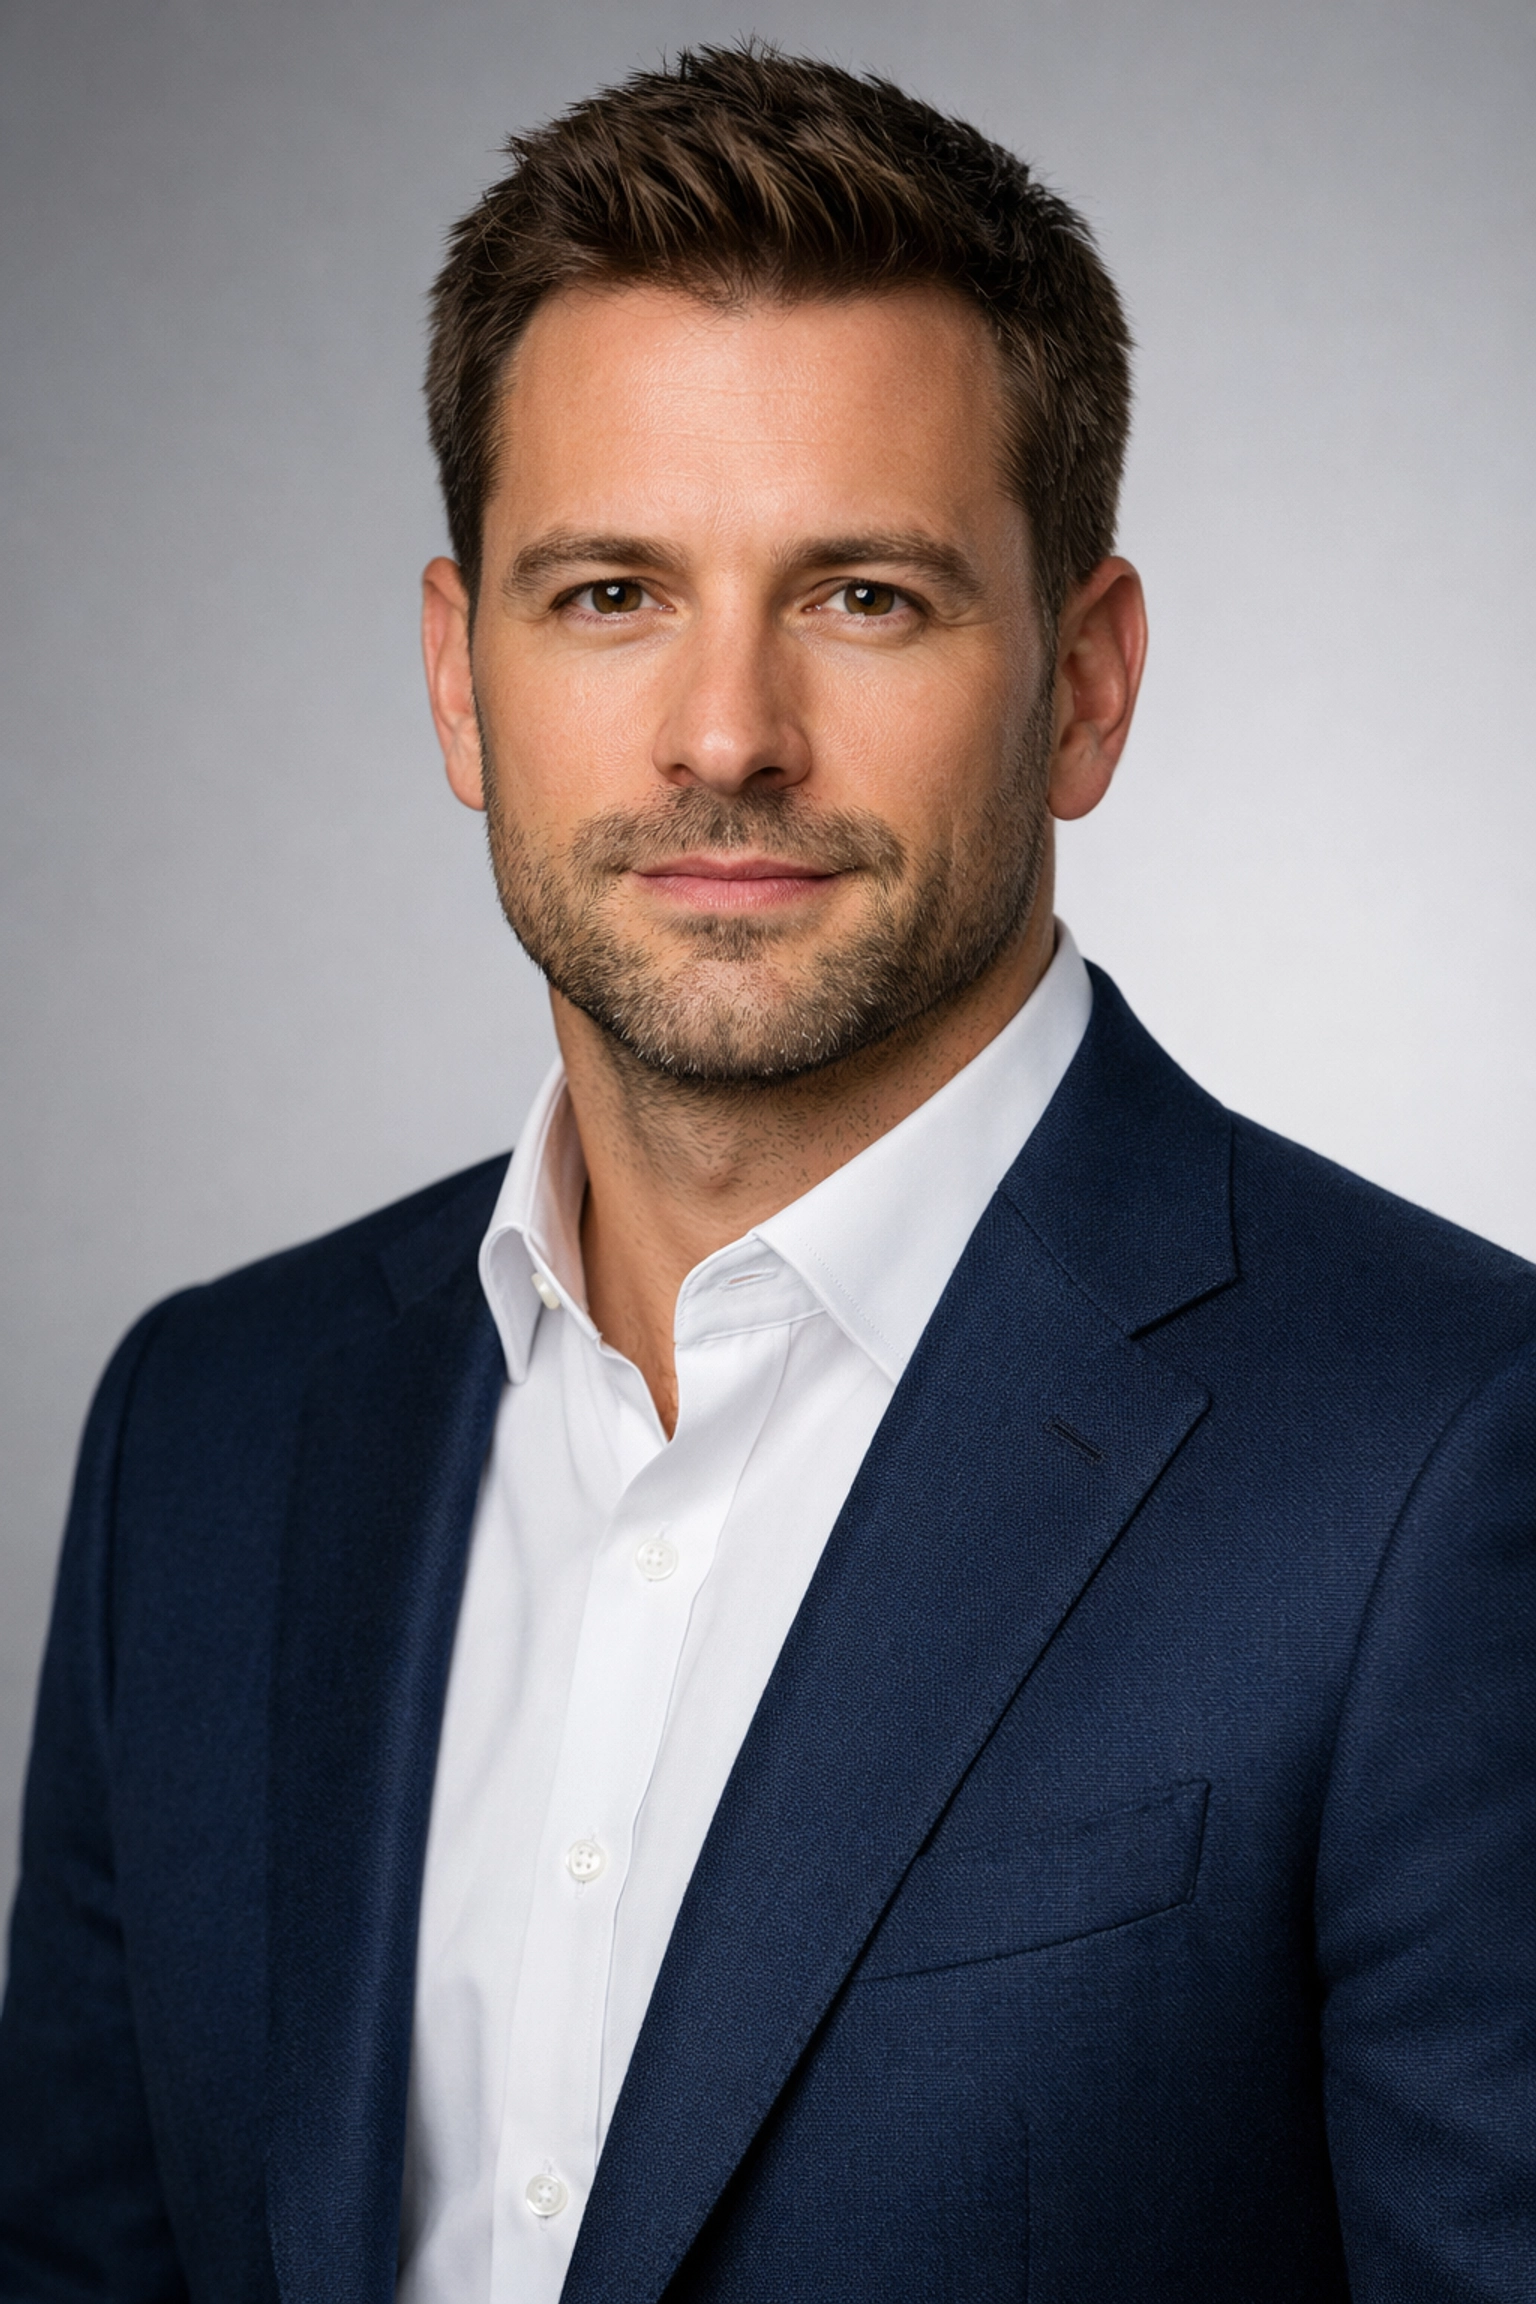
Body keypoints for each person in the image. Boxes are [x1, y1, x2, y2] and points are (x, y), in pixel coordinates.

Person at [1, 41, 1533, 2304]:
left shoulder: (1450, 1453)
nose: (727, 733)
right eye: (611, 592)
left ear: (1087, 686)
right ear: (459, 677)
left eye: (866, 596)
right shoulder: (205, 1435)